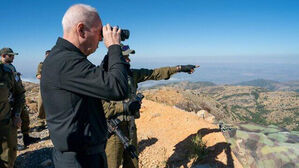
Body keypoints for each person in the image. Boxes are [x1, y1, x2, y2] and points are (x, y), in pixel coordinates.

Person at [40, 4, 130, 168]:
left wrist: (110, 58)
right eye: (99, 32)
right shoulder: (65, 62)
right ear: (81, 30)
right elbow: (118, 88)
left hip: (84, 155)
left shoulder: (64, 58)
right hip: (80, 160)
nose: (101, 39)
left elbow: (98, 83)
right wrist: (114, 47)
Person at [104, 44, 199, 168]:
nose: (129, 60)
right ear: (117, 58)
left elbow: (155, 73)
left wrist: (180, 68)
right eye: (126, 57)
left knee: (132, 164)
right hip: (113, 132)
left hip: (130, 127)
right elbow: (101, 109)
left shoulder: (131, 75)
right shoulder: (104, 79)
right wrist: (125, 107)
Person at [0, 48, 39, 150]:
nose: (13, 57)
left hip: (17, 98)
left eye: (13, 55)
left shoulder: (11, 66)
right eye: (10, 55)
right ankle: (13, 144)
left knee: (24, 117)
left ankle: (26, 137)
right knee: (11, 123)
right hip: (8, 101)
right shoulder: (2, 68)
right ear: (3, 56)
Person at [0, 48, 25, 168]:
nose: (13, 58)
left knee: (8, 158)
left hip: (5, 122)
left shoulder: (7, 72)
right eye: (11, 56)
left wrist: (16, 115)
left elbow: (19, 94)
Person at [34, 50, 50, 132]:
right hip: (43, 87)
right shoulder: (42, 65)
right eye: (47, 55)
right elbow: (38, 75)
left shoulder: (56, 64)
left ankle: (52, 123)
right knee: (41, 105)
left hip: (54, 88)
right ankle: (41, 123)